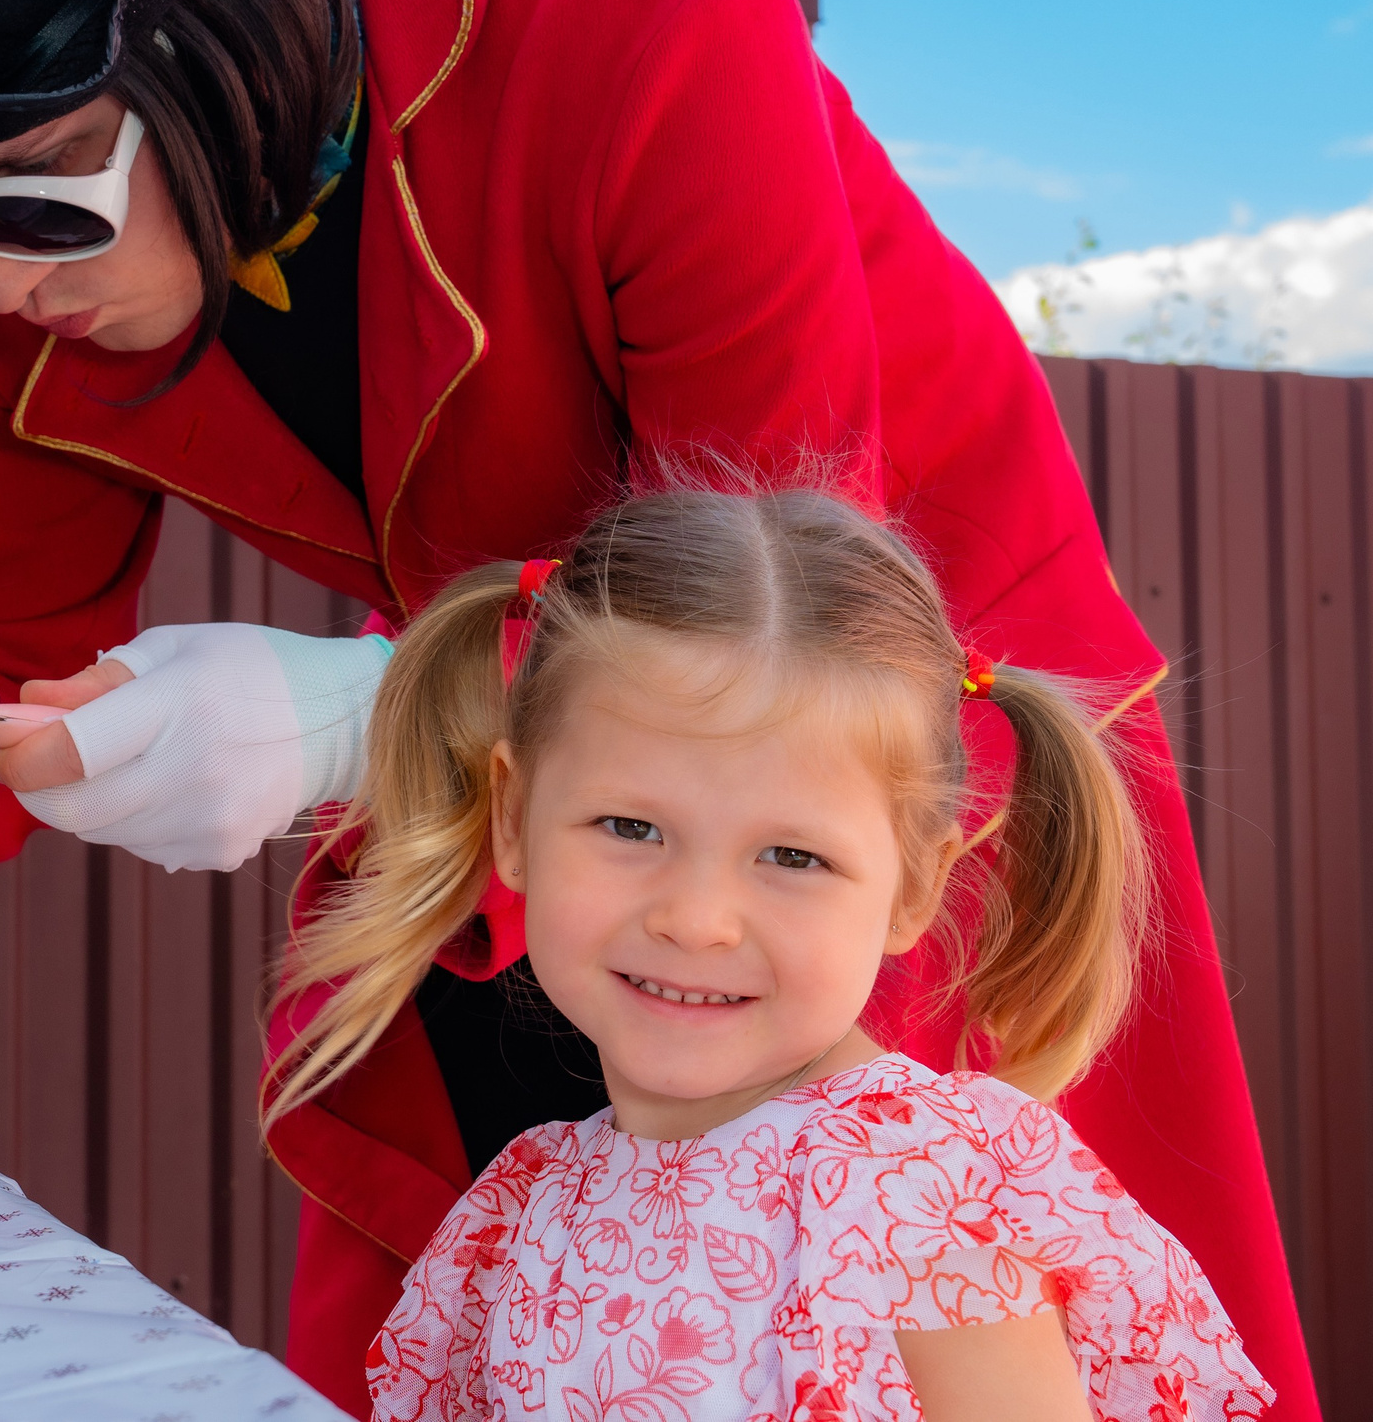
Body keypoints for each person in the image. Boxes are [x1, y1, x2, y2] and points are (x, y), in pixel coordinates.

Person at [0, 0, 1312, 1412]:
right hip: (531, 779)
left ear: (221, 15)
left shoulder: (637, 1)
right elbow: (0, 635)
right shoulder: (3, 234)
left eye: (28, 203)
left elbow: (775, 596)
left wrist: (355, 709)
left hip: (869, 729)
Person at [313, 487, 1269, 1421]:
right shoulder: (529, 1208)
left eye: (792, 856)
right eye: (630, 826)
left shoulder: (915, 1201)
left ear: (917, 884)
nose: (698, 919)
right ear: (514, 819)